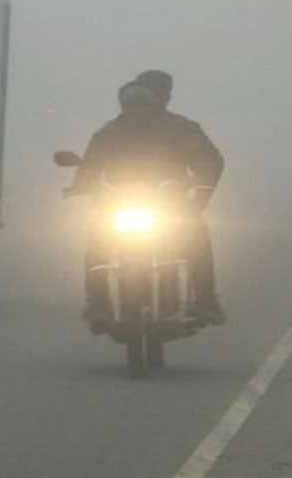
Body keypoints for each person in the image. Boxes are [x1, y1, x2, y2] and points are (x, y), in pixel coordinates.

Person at [70, 74, 225, 328]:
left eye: (143, 105)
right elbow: (89, 166)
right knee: (97, 238)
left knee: (196, 234)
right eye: (132, 106)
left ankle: (206, 300)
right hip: (117, 206)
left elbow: (209, 161)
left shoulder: (179, 129)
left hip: (170, 205)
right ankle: (97, 302)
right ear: (122, 106)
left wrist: (199, 194)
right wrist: (81, 184)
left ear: (155, 103)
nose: (137, 112)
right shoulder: (108, 133)